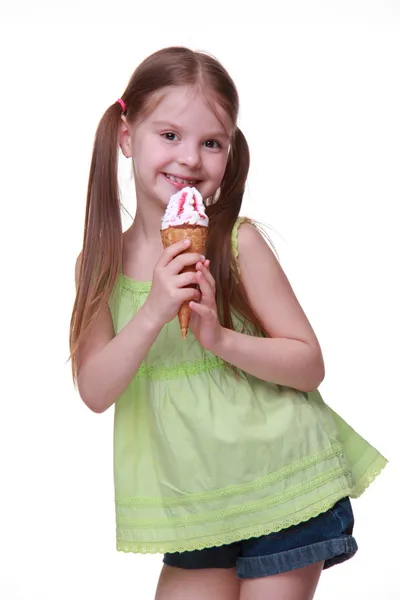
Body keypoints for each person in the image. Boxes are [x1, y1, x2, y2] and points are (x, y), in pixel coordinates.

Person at [69, 46, 387, 600]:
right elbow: (96, 390)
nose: (190, 158)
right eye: (169, 135)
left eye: (211, 142)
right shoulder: (99, 264)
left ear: (229, 151)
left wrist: (216, 337)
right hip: (195, 505)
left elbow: (308, 364)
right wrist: (154, 310)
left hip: (283, 485)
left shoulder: (237, 243)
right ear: (126, 136)